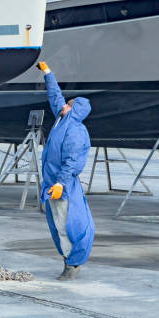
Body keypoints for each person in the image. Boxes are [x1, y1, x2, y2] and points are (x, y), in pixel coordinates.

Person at [38, 61, 95, 280]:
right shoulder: (63, 120)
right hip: (52, 183)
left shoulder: (74, 131)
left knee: (66, 224)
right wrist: (48, 74)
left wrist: (60, 183)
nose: (63, 106)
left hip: (61, 185)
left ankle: (72, 264)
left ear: (73, 109)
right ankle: (68, 259)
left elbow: (72, 162)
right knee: (57, 224)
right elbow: (55, 97)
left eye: (67, 105)